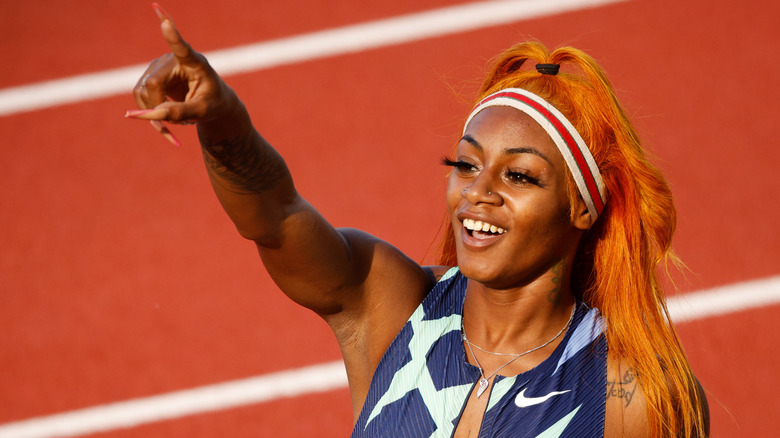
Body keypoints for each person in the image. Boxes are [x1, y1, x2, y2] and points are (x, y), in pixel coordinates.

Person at [128, 4, 709, 437]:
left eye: (519, 176)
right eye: (467, 165)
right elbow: (276, 218)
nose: (478, 193)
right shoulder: (389, 305)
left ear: (583, 206)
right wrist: (223, 122)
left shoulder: (631, 397)